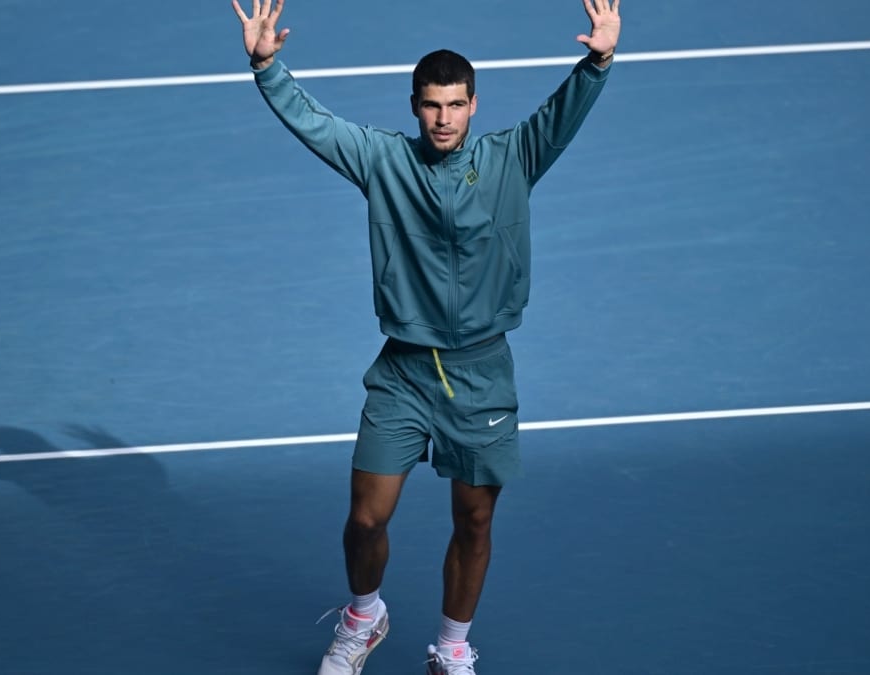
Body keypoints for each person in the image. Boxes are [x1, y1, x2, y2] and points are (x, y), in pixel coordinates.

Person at [231, 1, 621, 673]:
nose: (444, 117)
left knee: (473, 521)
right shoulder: (384, 161)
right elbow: (317, 127)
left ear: (474, 106)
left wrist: (599, 60)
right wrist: (267, 67)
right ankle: (365, 615)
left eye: (457, 104)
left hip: (482, 374)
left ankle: (452, 646)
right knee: (366, 517)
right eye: (433, 105)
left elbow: (563, 115)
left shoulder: (514, 157)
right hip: (404, 372)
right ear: (415, 106)